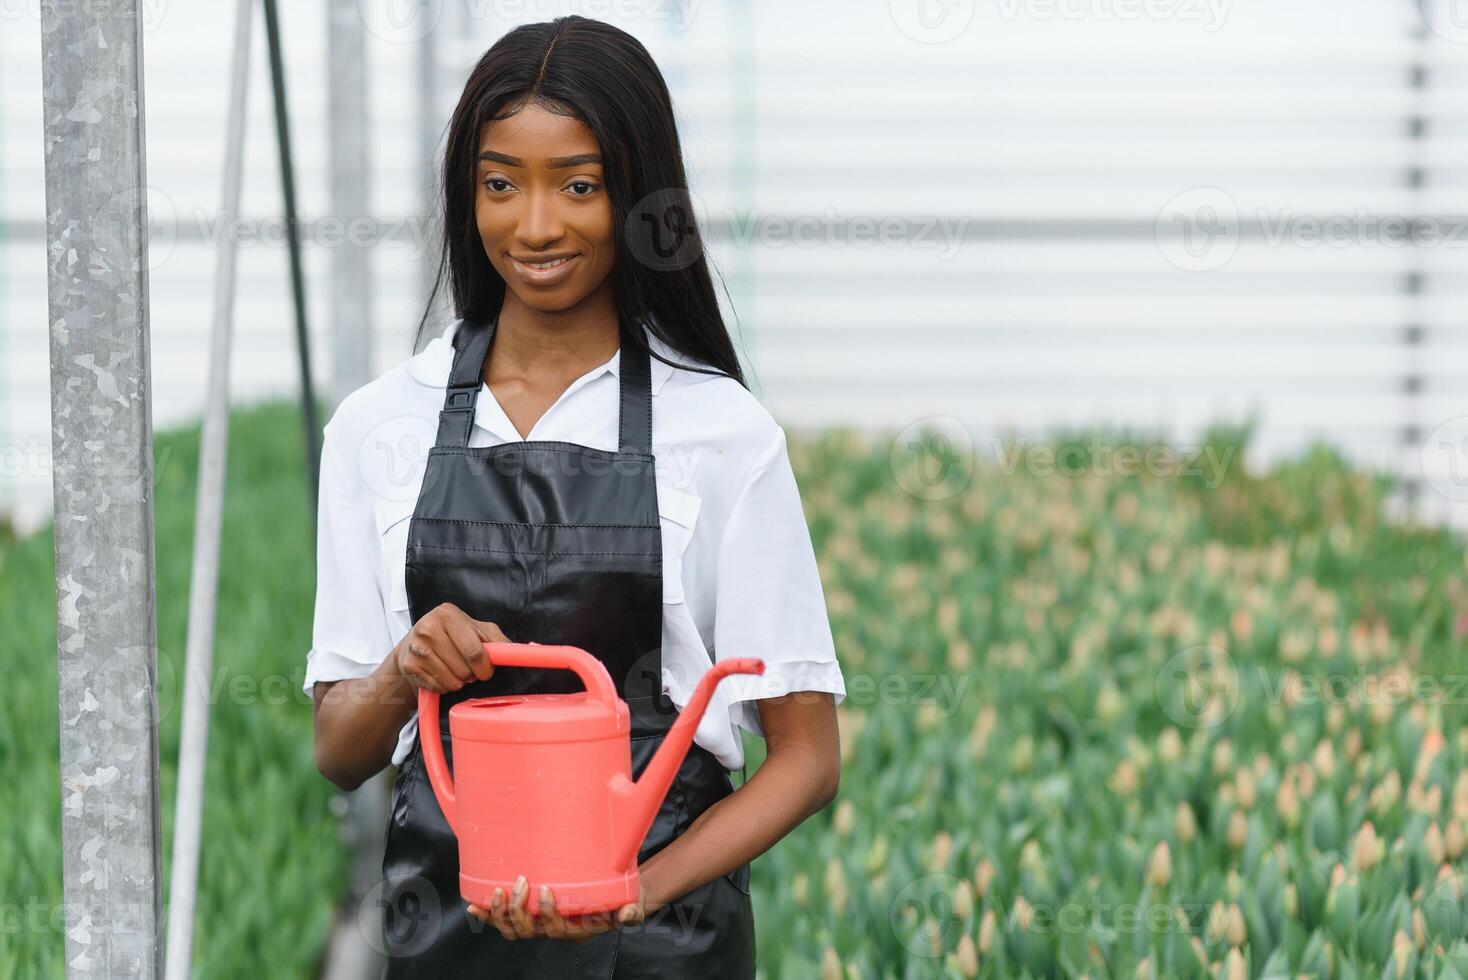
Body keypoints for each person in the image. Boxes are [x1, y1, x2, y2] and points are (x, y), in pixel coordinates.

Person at [306, 15, 845, 978]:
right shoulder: (377, 428)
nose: (537, 224)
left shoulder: (723, 435)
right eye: (501, 183)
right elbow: (342, 751)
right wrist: (407, 665)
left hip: (660, 941)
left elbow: (806, 758)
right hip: (447, 937)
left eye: (579, 185)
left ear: (638, 197)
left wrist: (638, 887)